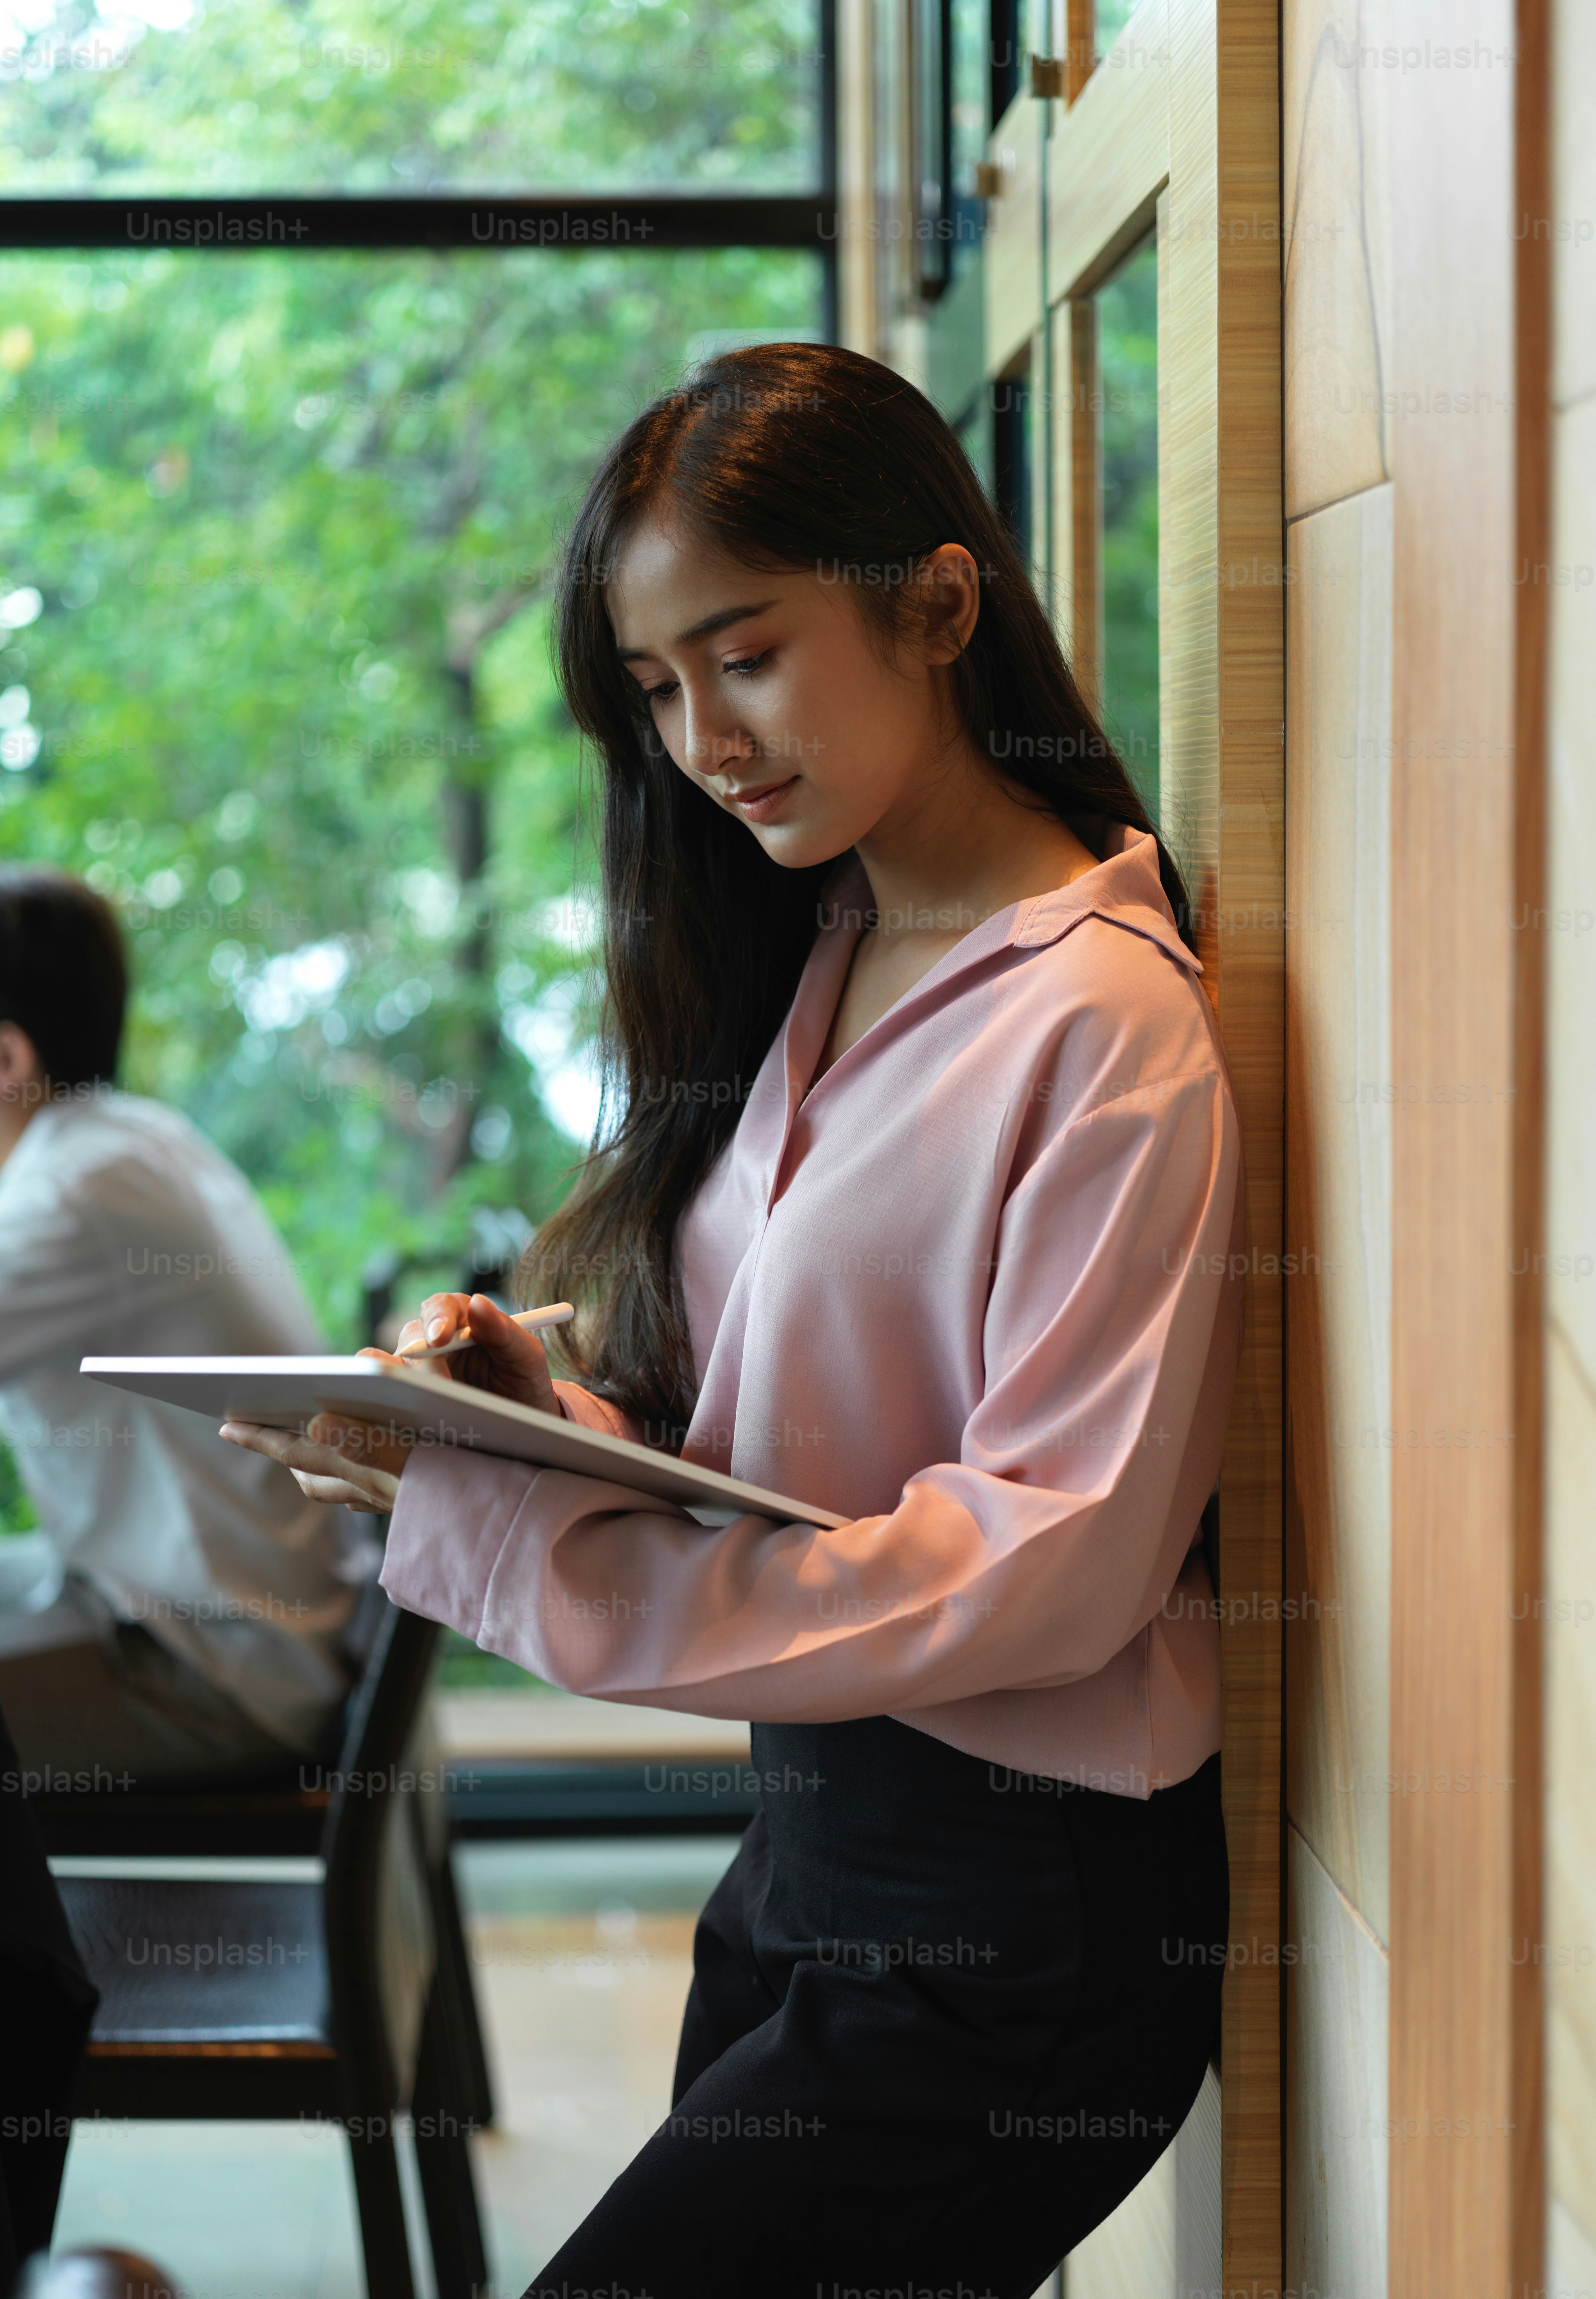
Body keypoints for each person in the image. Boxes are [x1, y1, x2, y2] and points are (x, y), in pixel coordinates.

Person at [224, 342, 1243, 2295]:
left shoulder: (1104, 1021)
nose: (707, 738)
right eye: (658, 692)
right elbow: (796, 1459)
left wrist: (549, 1549)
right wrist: (517, 1424)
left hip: (1021, 1925)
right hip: (818, 1859)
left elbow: (1046, 1570)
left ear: (938, 603)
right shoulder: (833, 955)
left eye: (746, 653)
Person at [0, 866, 372, 1782]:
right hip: (230, 1624)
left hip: (208, 1669)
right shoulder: (129, 1144)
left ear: (5, 1060)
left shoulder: (79, 1193)